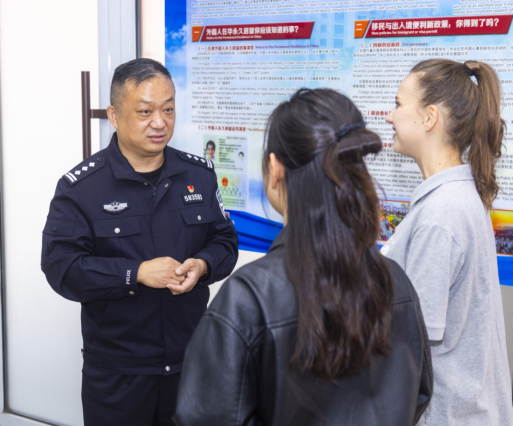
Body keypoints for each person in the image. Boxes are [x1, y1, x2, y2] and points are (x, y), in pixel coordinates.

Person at [174, 88, 432, 426]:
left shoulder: (249, 297)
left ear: (275, 168)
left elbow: (205, 417)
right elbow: (419, 394)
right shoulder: (395, 280)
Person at [41, 58, 239, 425]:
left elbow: (225, 240)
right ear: (114, 116)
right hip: (119, 375)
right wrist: (136, 274)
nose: (160, 122)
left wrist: (203, 265)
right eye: (146, 111)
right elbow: (61, 267)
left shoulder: (199, 174)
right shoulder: (81, 188)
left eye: (168, 109)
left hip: (190, 365)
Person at [381, 59, 513, 425]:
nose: (389, 116)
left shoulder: (441, 215)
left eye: (398, 104)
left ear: (429, 117)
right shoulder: (455, 197)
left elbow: (411, 342)